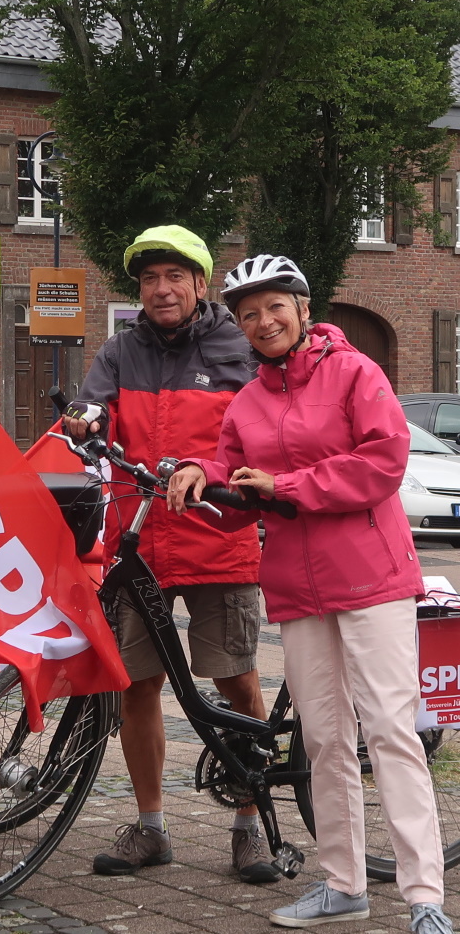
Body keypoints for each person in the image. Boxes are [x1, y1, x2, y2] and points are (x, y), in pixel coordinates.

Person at [168, 255, 453, 934]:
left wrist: (286, 487)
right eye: (248, 315)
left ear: (301, 307)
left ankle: (424, 895)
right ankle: (342, 882)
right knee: (323, 738)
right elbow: (236, 476)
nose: (263, 322)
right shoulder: (248, 400)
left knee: (389, 730)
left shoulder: (357, 372)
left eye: (274, 307)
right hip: (297, 586)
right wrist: (200, 474)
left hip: (370, 576)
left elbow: (383, 461)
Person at [62, 225, 275, 883]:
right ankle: (151, 827)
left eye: (174, 276)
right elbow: (89, 406)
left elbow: (263, 431)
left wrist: (208, 470)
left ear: (200, 283)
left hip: (218, 536)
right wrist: (82, 419)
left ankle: (249, 825)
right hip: (141, 541)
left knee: (235, 680)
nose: (161, 288)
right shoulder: (121, 349)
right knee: (139, 686)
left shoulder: (238, 345)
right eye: (150, 279)